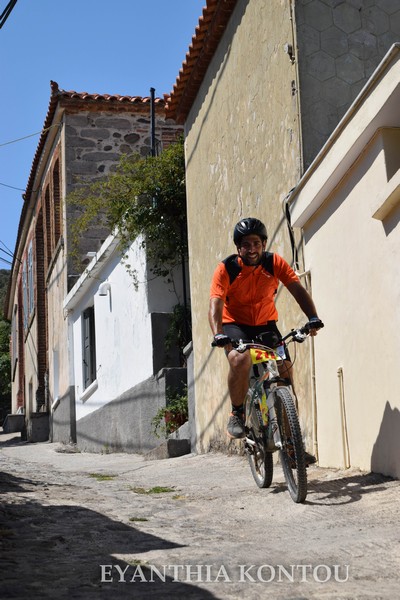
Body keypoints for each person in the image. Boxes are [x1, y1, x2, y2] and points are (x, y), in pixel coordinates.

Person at [209, 217, 323, 452]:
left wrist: (313, 317)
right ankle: (237, 413)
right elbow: (216, 304)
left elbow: (297, 290)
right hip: (235, 325)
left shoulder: (274, 263)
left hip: (266, 325)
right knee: (240, 360)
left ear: (263, 243)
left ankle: (292, 445)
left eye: (256, 244)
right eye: (246, 245)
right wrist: (218, 333)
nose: (252, 249)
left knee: (285, 372)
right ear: (238, 247)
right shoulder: (226, 268)